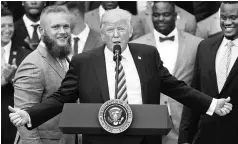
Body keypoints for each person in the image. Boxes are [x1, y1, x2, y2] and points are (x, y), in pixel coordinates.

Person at [9, 9, 232, 144]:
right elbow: (62, 97)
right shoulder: (83, 62)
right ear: (102, 33)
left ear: (131, 31)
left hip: (144, 138)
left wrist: (211, 103)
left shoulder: (148, 54)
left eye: (121, 29)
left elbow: (176, 87)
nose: (116, 35)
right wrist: (30, 115)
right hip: (100, 139)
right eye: (110, 30)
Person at [131, 2, 203, 144]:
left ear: (176, 16)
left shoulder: (197, 44)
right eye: (156, 15)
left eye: (166, 14)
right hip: (149, 118)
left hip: (184, 120)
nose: (161, 19)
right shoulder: (137, 46)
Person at [12, 5, 75, 144]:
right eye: (56, 27)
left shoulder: (64, 56)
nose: (63, 32)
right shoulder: (33, 65)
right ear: (41, 30)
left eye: (66, 26)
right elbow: (24, 124)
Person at [178, 2, 238, 144]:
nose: (227, 22)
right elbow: (194, 93)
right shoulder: (205, 47)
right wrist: (185, 138)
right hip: (205, 136)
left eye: (234, 17)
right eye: (223, 17)